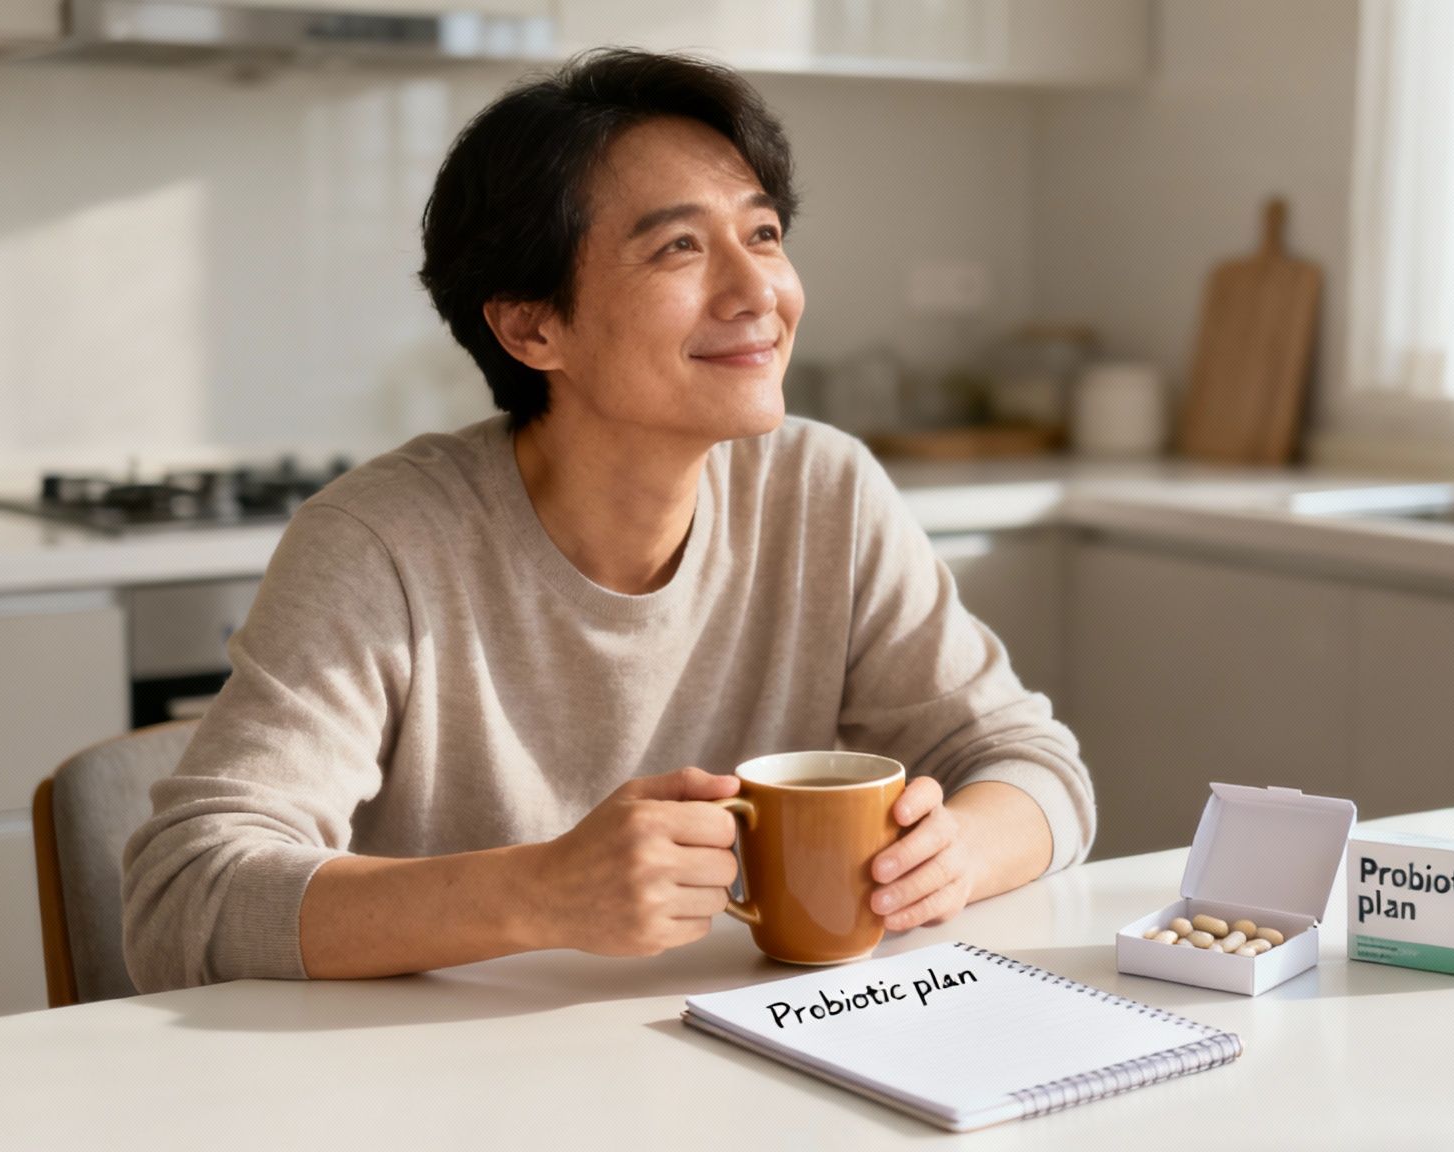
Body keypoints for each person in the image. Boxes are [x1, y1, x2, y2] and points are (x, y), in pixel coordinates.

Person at [121, 48, 1096, 993]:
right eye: (679, 247)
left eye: (761, 235)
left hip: (746, 1057)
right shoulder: (381, 544)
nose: (759, 292)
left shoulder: (823, 490)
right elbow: (185, 899)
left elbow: (1032, 768)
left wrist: (954, 854)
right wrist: (540, 892)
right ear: (530, 327)